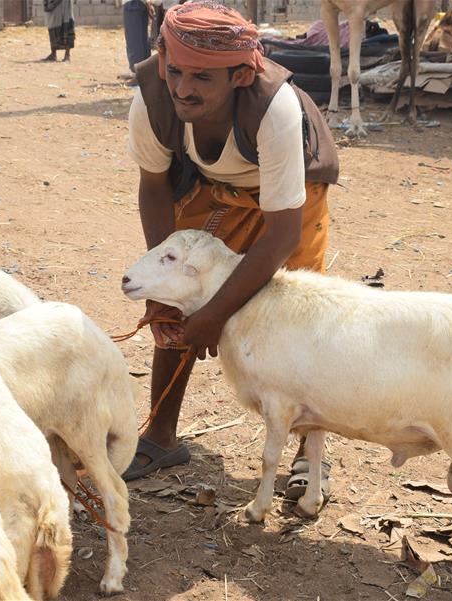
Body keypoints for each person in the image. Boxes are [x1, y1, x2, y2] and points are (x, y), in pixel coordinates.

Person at [124, 1, 340, 511]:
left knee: (298, 323)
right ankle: (160, 435)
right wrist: (164, 290)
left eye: (202, 77)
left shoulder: (276, 109)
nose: (182, 88)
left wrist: (215, 317)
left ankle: (311, 457)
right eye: (174, 71)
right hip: (217, 186)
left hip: (293, 199)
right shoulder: (152, 102)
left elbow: (283, 233)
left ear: (241, 75)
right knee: (177, 295)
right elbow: (154, 189)